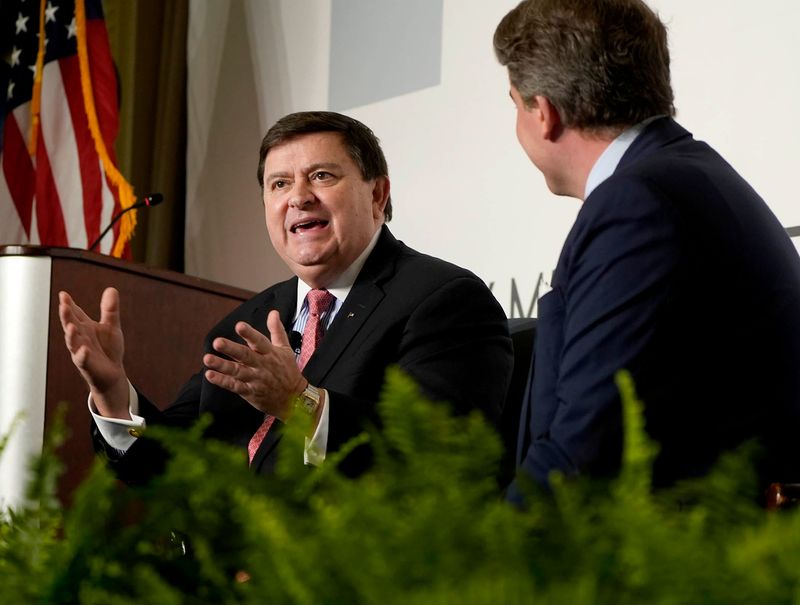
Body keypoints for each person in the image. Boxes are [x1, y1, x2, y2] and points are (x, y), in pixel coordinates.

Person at [59, 111, 513, 482]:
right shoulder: (247, 322)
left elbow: (441, 459)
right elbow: (167, 463)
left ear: (377, 194)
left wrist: (301, 403)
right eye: (279, 184)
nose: (298, 197)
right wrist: (114, 393)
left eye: (320, 176)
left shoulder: (442, 300)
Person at [494, 0, 800, 501]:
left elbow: (584, 453)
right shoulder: (679, 178)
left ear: (543, 113)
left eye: (514, 103)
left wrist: (472, 562)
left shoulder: (638, 203)